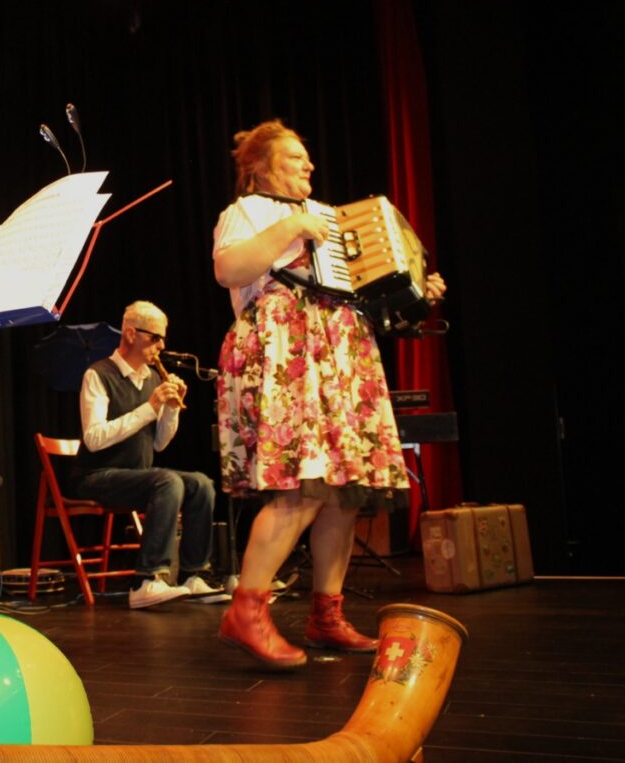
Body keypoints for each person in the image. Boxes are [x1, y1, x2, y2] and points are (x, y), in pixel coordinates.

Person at [212, 120, 446, 669]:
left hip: (341, 351)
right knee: (303, 482)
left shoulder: (329, 222)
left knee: (344, 489)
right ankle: (246, 609)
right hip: (286, 346)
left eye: (307, 158)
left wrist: (417, 294)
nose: (309, 167)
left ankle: (326, 613)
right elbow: (230, 269)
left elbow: (370, 297)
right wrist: (293, 223)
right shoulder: (249, 212)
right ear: (262, 167)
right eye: (295, 158)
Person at [73, 301, 224, 609]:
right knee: (167, 481)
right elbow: (94, 438)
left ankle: (194, 574)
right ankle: (146, 580)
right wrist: (150, 407)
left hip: (137, 475)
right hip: (97, 475)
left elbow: (159, 444)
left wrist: (170, 410)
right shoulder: (98, 375)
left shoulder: (153, 378)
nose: (162, 345)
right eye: (155, 337)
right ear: (131, 334)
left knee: (201, 484)